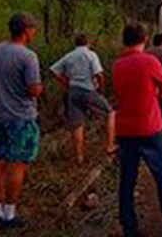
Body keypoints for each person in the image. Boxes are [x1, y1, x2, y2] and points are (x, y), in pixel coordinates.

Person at [112, 25, 162, 237]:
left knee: (127, 180)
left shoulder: (117, 65)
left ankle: (129, 228)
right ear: (145, 39)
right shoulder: (149, 61)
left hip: (124, 130)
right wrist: (155, 96)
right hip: (148, 128)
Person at [0, 13, 43, 229]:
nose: (34, 32)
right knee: (17, 166)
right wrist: (39, 88)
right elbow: (34, 90)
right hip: (21, 118)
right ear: (25, 30)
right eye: (33, 29)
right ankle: (9, 215)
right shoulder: (28, 56)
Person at [50, 33, 116, 164]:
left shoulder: (69, 56)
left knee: (78, 124)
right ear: (88, 43)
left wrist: (66, 83)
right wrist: (100, 92)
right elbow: (99, 75)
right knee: (110, 113)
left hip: (73, 91)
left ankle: (79, 156)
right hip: (88, 90)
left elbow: (53, 70)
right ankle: (109, 146)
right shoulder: (91, 55)